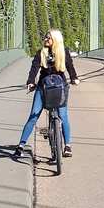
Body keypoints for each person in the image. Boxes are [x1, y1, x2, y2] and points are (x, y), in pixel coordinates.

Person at [15, 29, 79, 158]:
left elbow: (70, 67)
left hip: (59, 87)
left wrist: (74, 78)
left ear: (55, 40)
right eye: (45, 37)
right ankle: (21, 145)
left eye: (48, 38)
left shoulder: (63, 52)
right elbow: (34, 68)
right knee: (34, 116)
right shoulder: (41, 53)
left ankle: (67, 146)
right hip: (43, 87)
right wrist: (31, 81)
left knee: (63, 115)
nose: (45, 39)